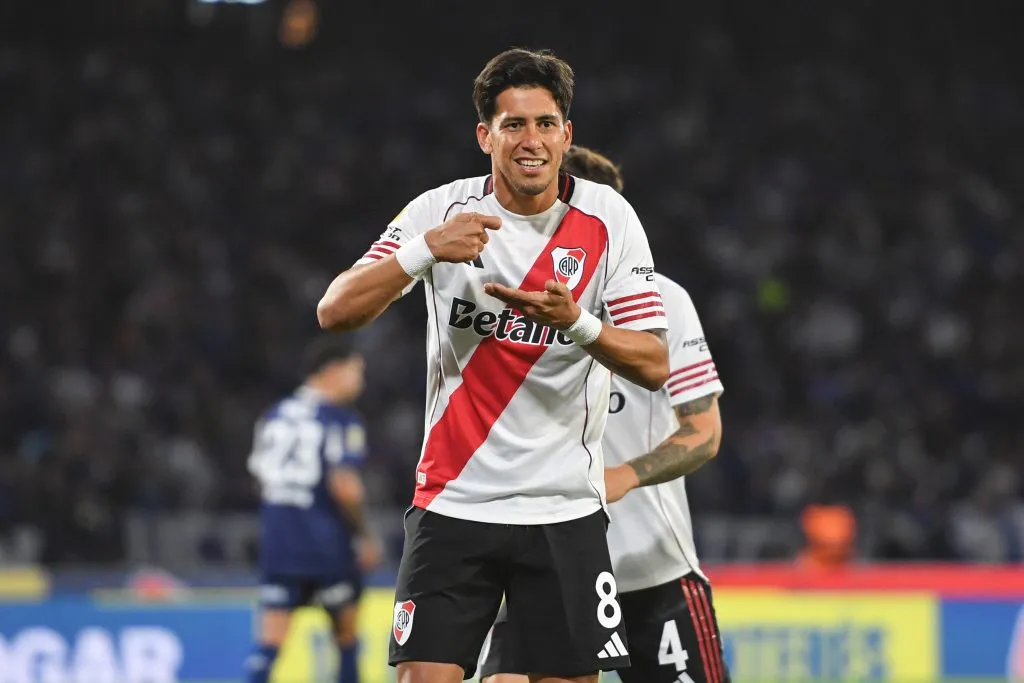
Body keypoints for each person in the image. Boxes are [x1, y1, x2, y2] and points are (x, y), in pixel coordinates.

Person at [316, 49, 670, 683]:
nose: (530, 141)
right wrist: (425, 251)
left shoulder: (608, 218)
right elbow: (334, 310)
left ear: (567, 135)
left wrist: (578, 323)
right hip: (454, 503)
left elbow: (653, 363)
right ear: (485, 136)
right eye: (513, 124)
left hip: (563, 509)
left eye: (544, 124)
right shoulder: (439, 211)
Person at [480, 146, 730, 683]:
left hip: (651, 572)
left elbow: (704, 431)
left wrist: (626, 475)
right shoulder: (504, 302)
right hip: (544, 565)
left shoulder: (662, 301)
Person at [245, 335, 381, 683]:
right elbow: (344, 486)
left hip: (279, 541)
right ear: (333, 371)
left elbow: (259, 477)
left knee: (268, 644)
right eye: (356, 371)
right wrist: (365, 535)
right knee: (346, 639)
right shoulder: (339, 419)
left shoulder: (275, 414)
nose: (360, 381)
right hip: (325, 543)